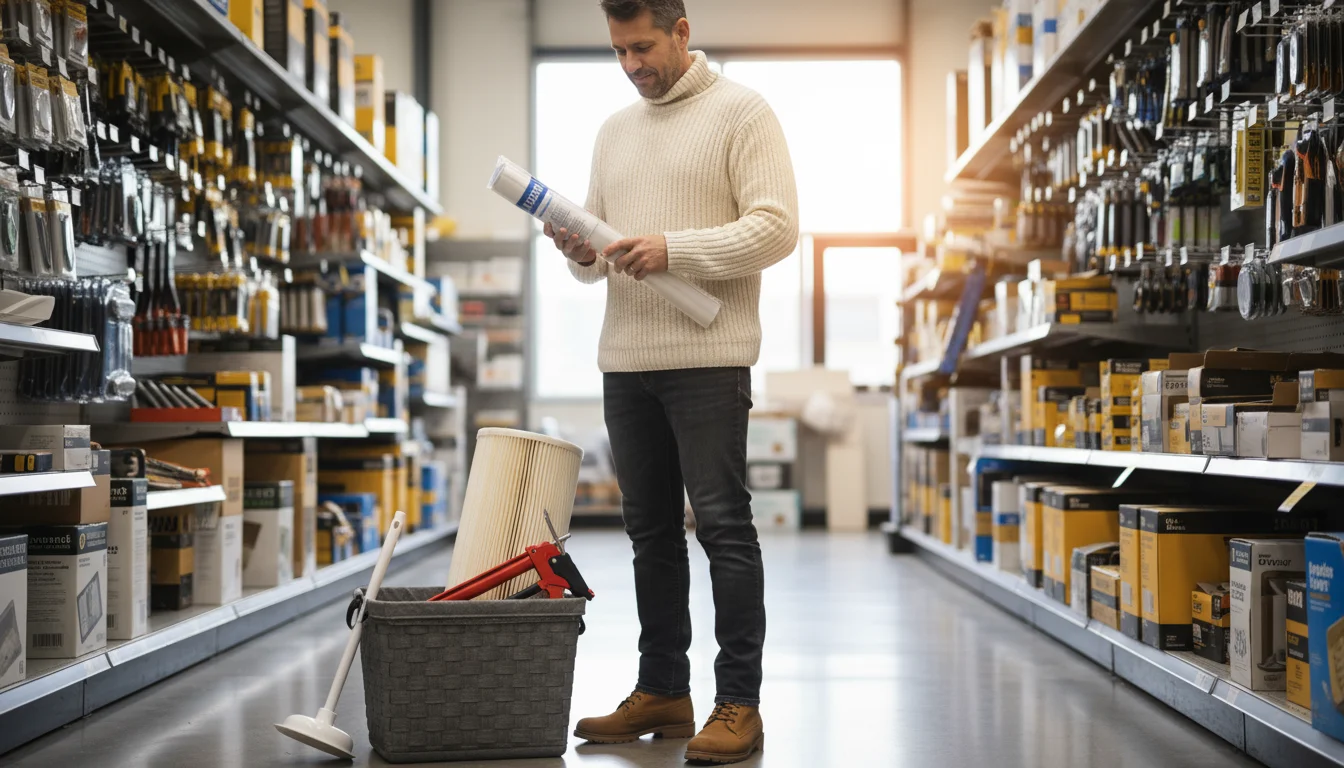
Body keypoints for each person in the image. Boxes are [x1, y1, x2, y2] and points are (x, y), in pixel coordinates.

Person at [543, 0, 799, 763]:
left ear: (682, 34)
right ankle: (663, 690)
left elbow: (777, 227)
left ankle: (739, 704)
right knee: (648, 533)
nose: (631, 65)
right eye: (619, 51)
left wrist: (673, 249)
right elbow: (594, 267)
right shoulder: (613, 132)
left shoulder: (742, 114)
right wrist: (577, 250)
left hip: (710, 356)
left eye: (643, 47)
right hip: (626, 358)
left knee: (722, 527)